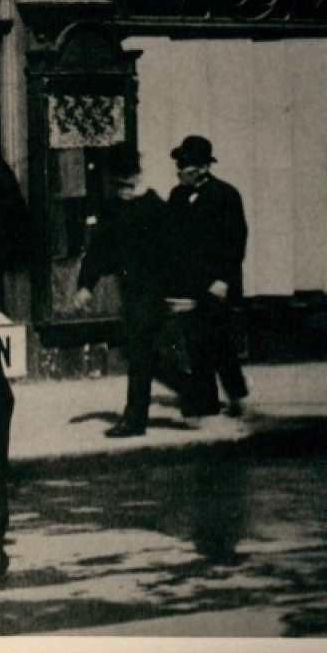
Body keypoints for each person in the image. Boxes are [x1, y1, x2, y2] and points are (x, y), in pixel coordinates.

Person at [71, 146, 196, 437]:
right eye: (117, 184)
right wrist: (86, 285)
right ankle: (189, 388)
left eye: (128, 184)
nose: (123, 190)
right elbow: (99, 250)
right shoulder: (111, 208)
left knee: (138, 351)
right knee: (139, 352)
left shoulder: (155, 208)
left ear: (138, 178)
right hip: (131, 292)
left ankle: (135, 419)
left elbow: (177, 253)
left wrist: (181, 292)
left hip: (155, 291)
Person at [165, 134, 250, 419]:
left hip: (216, 284)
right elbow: (172, 243)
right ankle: (206, 400)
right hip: (189, 285)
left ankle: (236, 396)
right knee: (195, 344)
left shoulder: (226, 196)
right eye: (178, 166)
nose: (179, 172)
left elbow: (236, 242)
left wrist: (224, 280)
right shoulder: (176, 197)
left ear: (203, 168)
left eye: (185, 167)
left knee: (220, 342)